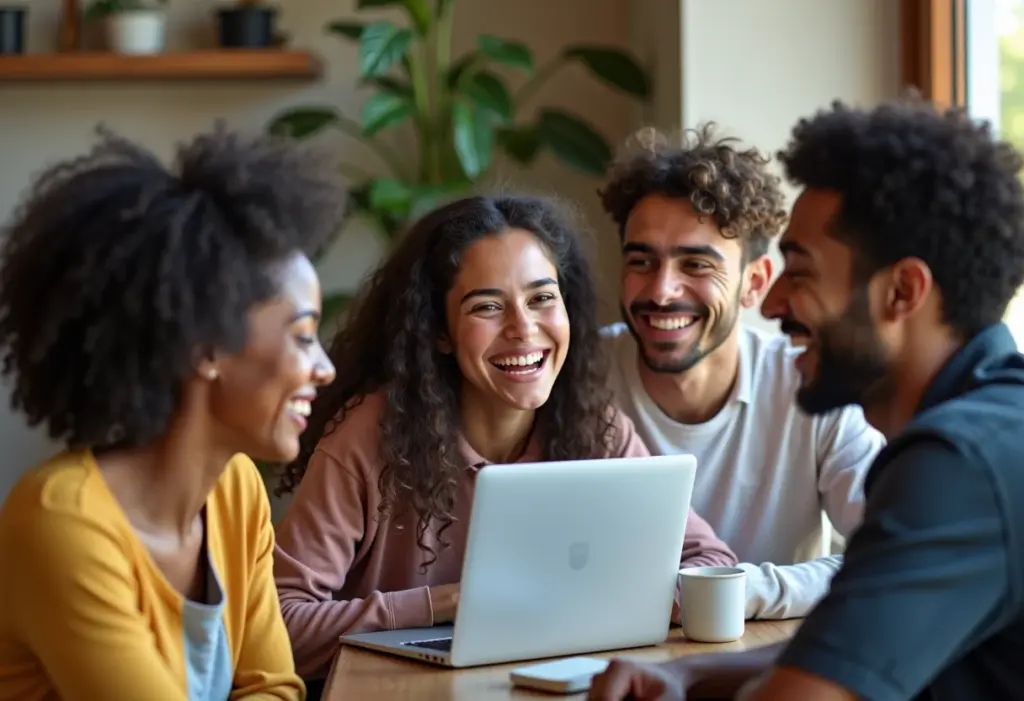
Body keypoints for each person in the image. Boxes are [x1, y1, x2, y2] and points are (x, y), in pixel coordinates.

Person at [589, 95, 1024, 701]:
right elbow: (865, 636)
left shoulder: (956, 464)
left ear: (902, 292)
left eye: (801, 272)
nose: (772, 306)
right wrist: (690, 673)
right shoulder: (994, 431)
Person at [271, 194, 738, 682]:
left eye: (542, 299)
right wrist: (442, 604)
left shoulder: (592, 425)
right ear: (440, 332)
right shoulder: (367, 437)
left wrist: (607, 601)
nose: (523, 328)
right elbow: (279, 622)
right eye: (488, 306)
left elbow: (710, 563)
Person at [0, 124, 344, 699]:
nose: (324, 368)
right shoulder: (63, 524)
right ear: (206, 348)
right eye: (304, 336)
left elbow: (276, 687)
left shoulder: (235, 488)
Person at [597, 125, 885, 619]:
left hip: (768, 651)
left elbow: (887, 552)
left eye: (696, 265)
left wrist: (733, 592)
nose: (661, 291)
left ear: (754, 283)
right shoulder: (576, 376)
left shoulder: (813, 384)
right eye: (641, 261)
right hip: (609, 647)